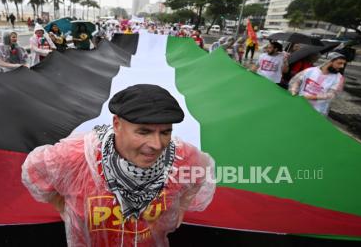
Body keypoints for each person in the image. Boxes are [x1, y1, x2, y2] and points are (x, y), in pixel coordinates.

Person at [22, 84, 216, 247]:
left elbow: (201, 175)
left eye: (165, 132)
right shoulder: (75, 157)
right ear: (117, 124)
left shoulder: (183, 158)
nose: (157, 145)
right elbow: (34, 171)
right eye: (143, 132)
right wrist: (64, 207)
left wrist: (179, 210)